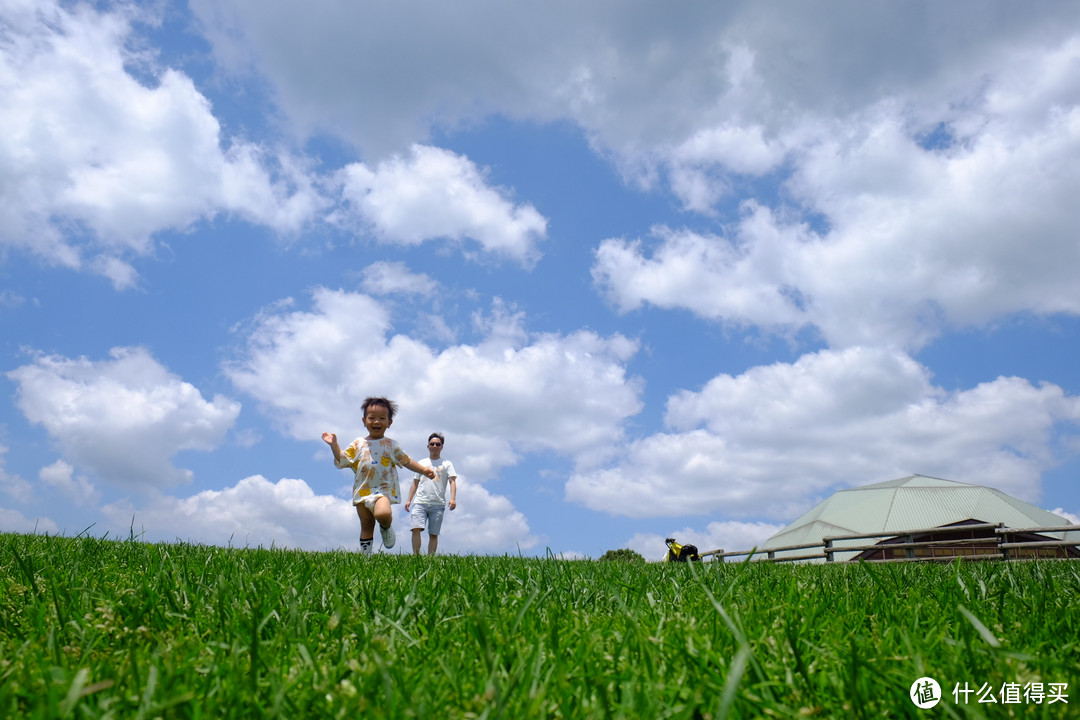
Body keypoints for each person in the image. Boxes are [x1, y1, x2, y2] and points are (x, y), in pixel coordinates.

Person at [323, 397, 435, 555]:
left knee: (382, 513)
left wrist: (424, 470)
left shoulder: (390, 445)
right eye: (372, 418)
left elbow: (406, 460)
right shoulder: (358, 443)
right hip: (363, 490)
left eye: (382, 418)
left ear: (389, 422)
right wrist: (334, 445)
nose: (377, 421)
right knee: (367, 525)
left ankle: (386, 527)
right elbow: (342, 459)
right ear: (364, 421)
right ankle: (366, 559)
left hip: (382, 490)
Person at [404, 432, 458, 555]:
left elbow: (452, 481)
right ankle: (416, 557)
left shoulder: (447, 464)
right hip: (420, 502)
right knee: (415, 528)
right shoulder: (421, 463)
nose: (434, 446)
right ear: (428, 446)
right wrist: (409, 500)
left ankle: (430, 559)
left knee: (433, 533)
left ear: (442, 447)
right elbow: (415, 482)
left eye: (437, 444)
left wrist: (453, 498)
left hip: (438, 503)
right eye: (432, 444)